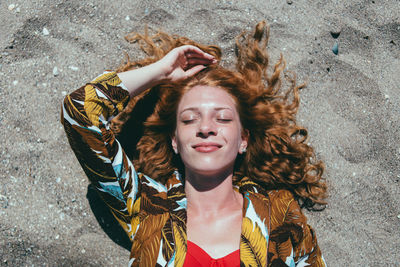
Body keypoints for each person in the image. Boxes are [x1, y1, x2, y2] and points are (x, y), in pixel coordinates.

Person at [61, 21, 327, 266]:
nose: (206, 128)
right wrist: (160, 73)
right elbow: (79, 113)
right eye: (189, 120)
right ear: (175, 142)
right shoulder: (147, 205)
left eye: (222, 118)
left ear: (243, 140)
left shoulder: (279, 211)